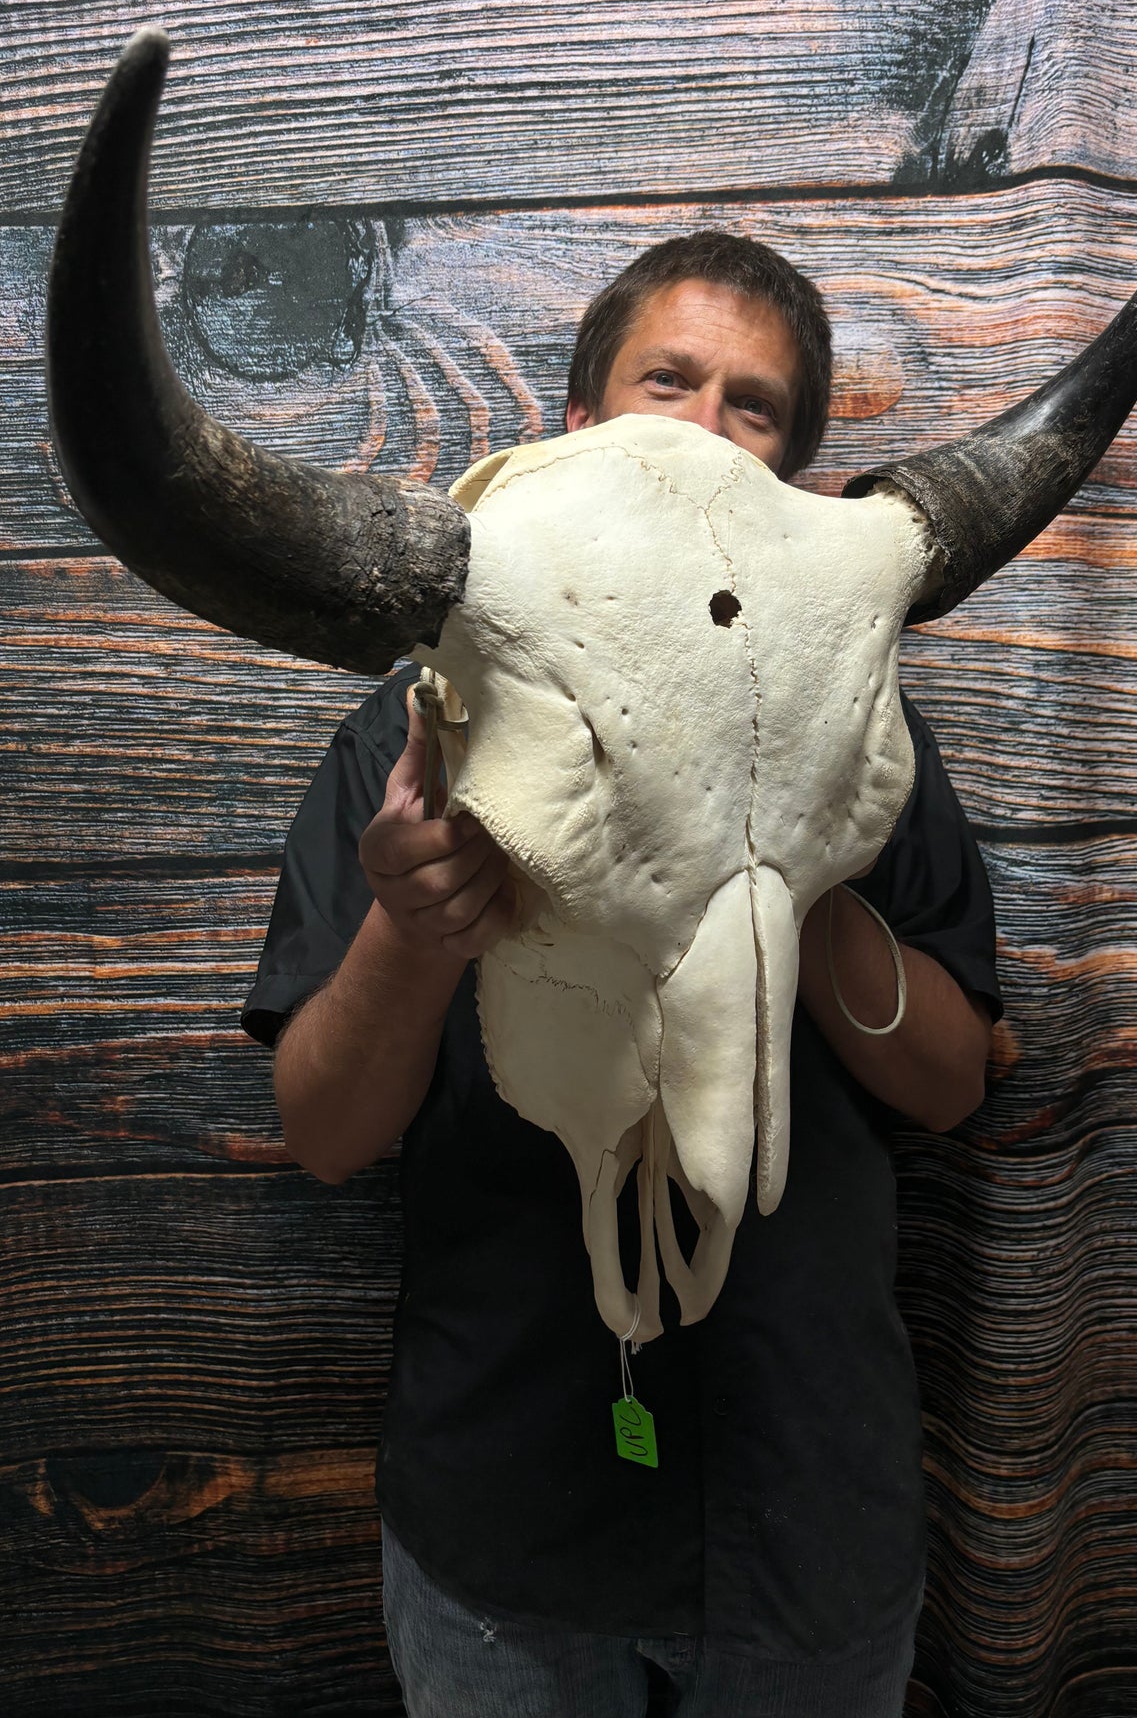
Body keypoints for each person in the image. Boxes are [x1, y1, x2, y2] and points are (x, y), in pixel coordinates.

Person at [240, 231, 1002, 1718]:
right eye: (668, 383)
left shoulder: (869, 746)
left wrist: (812, 865)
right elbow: (324, 1135)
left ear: (785, 482)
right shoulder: (404, 740)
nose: (702, 438)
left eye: (754, 408)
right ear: (577, 429)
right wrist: (412, 922)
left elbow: (955, 1084)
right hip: (506, 1526)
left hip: (807, 1520)